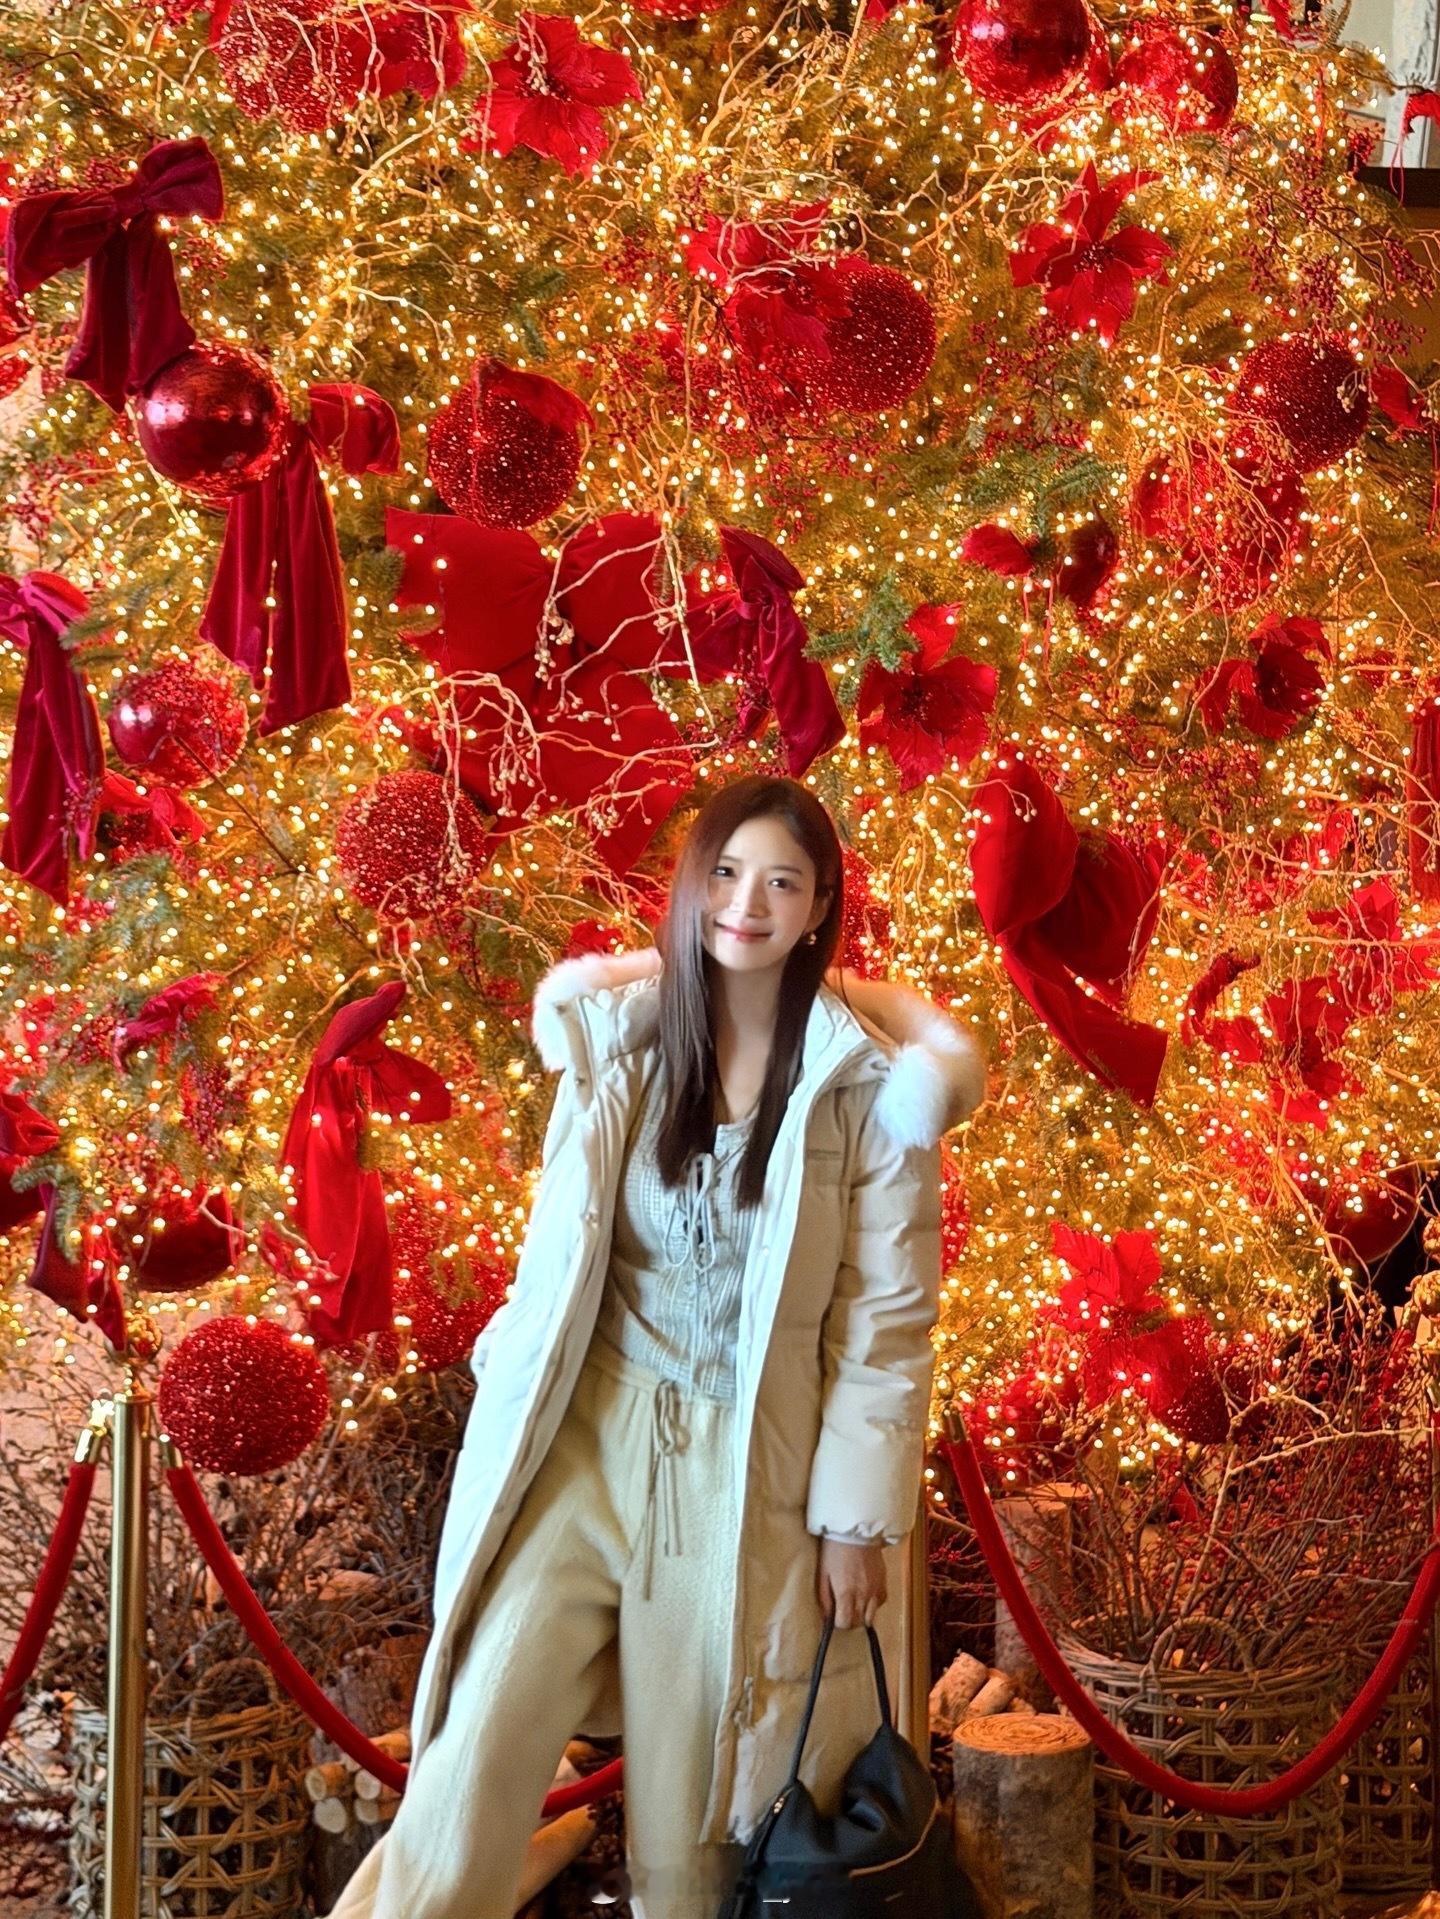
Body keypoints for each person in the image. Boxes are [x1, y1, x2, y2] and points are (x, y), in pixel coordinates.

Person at [326, 773, 985, 1919]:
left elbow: (888, 1320)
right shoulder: (617, 1043)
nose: (747, 903)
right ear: (691, 884)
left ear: (818, 907)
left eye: (782, 881)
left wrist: (853, 1517)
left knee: (693, 1843)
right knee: (471, 1754)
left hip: (741, 1472)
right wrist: (512, 1361)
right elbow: (559, 1247)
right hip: (592, 1432)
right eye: (726, 871)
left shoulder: (867, 1090)